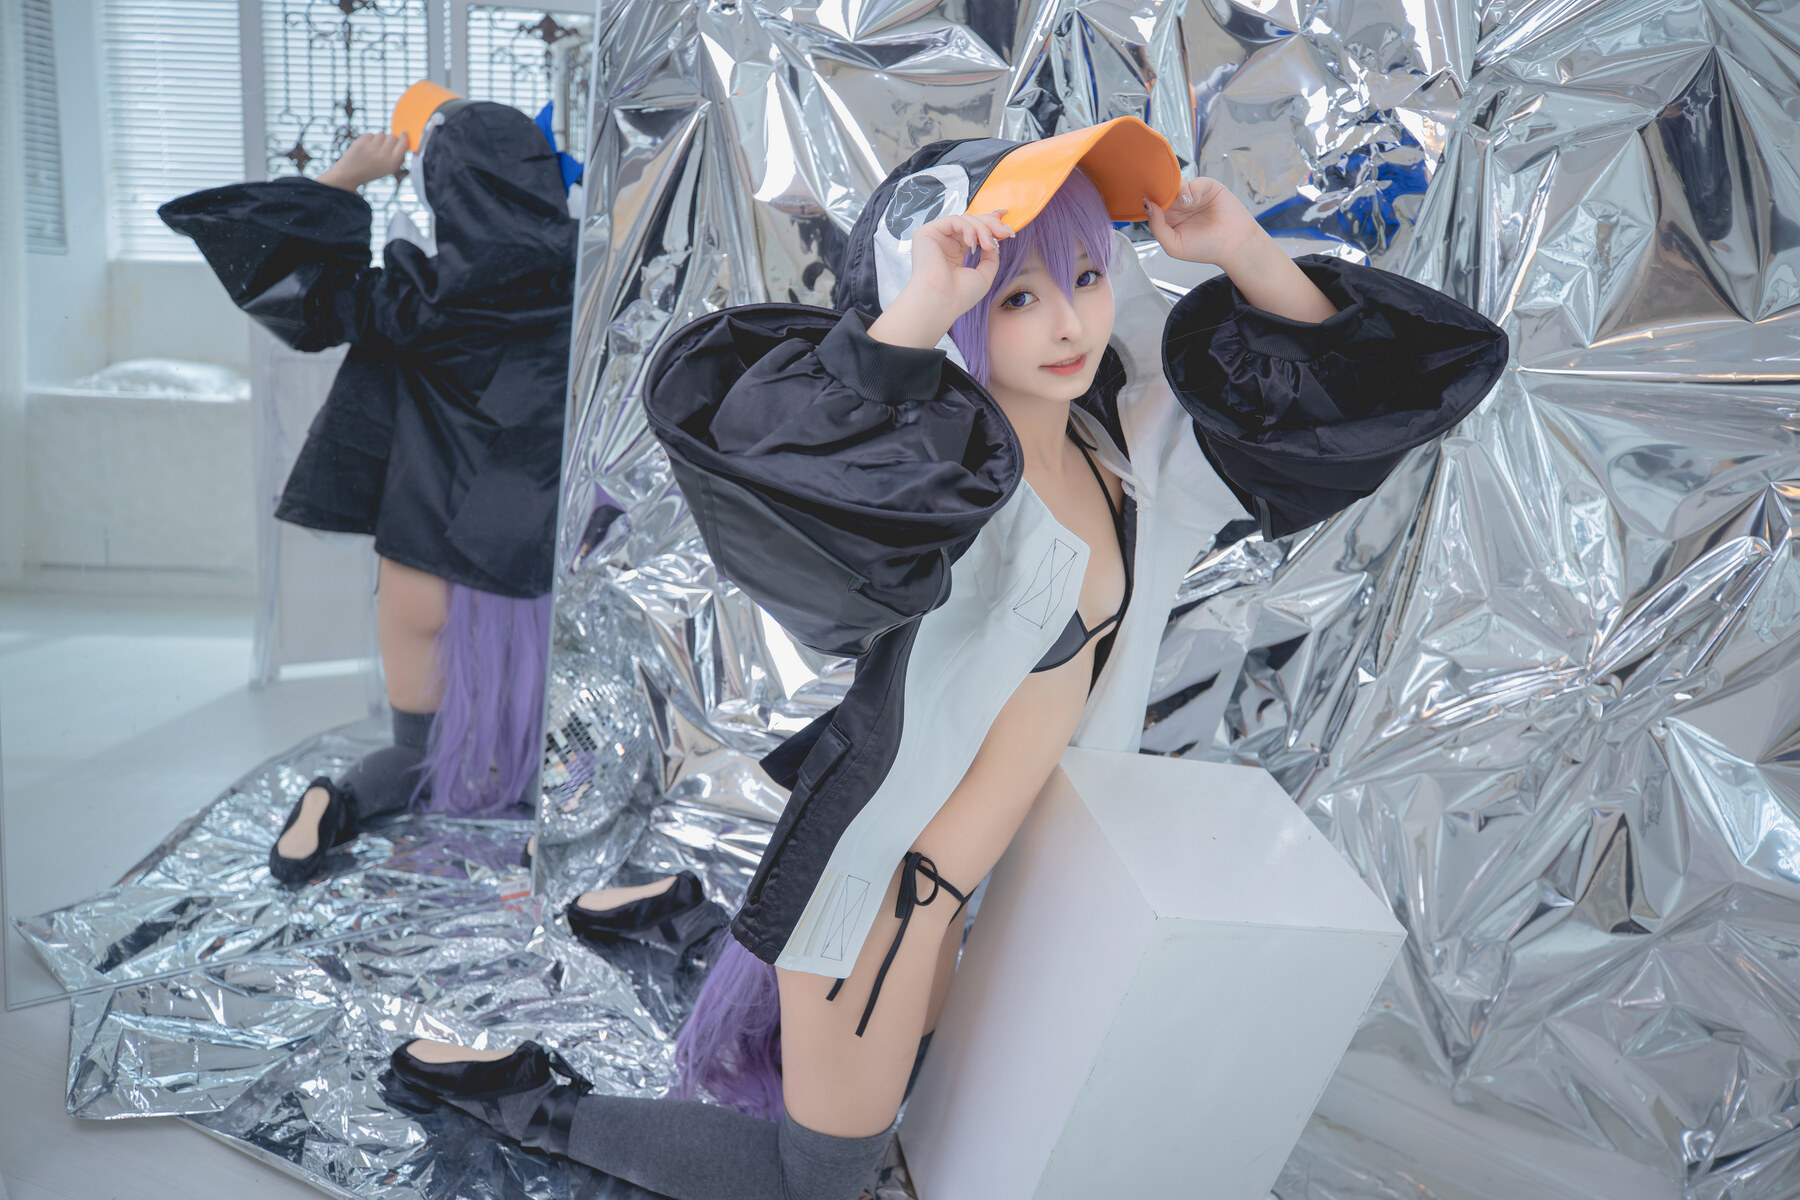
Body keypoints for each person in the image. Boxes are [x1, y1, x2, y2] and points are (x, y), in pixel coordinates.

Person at [387, 118, 1508, 1199]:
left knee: (921, 1100)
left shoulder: (1127, 451)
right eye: (1016, 296)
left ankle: (677, 919)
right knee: (819, 1180)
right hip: (876, 895)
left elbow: (1353, 393)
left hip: (989, 900)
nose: (1067, 322)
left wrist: (1243, 251)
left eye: (1085, 277)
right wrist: (919, 305)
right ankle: (526, 1096)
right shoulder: (928, 485)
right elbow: (787, 442)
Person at [159, 83, 577, 882]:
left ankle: (333, 802)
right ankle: (556, 835)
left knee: (415, 750)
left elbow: (290, 284)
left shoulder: (414, 297)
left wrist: (344, 177)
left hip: (422, 560)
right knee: (554, 749)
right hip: (535, 570)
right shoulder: (592, 291)